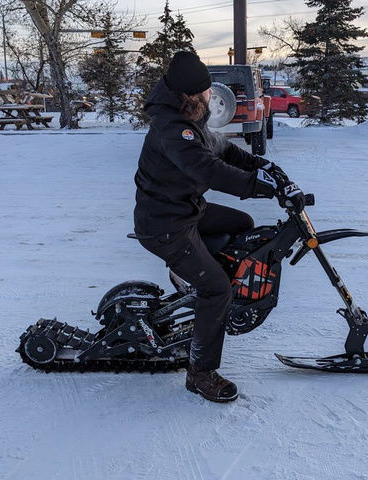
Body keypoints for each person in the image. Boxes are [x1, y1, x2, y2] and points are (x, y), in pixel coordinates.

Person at [134, 51, 304, 403]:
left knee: (242, 224)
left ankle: (199, 276)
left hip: (185, 211)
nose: (212, 96)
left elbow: (221, 149)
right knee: (217, 291)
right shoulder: (172, 128)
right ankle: (201, 373)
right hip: (166, 226)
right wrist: (264, 188)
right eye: (207, 91)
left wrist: (263, 165)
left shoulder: (187, 118)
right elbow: (208, 170)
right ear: (191, 96)